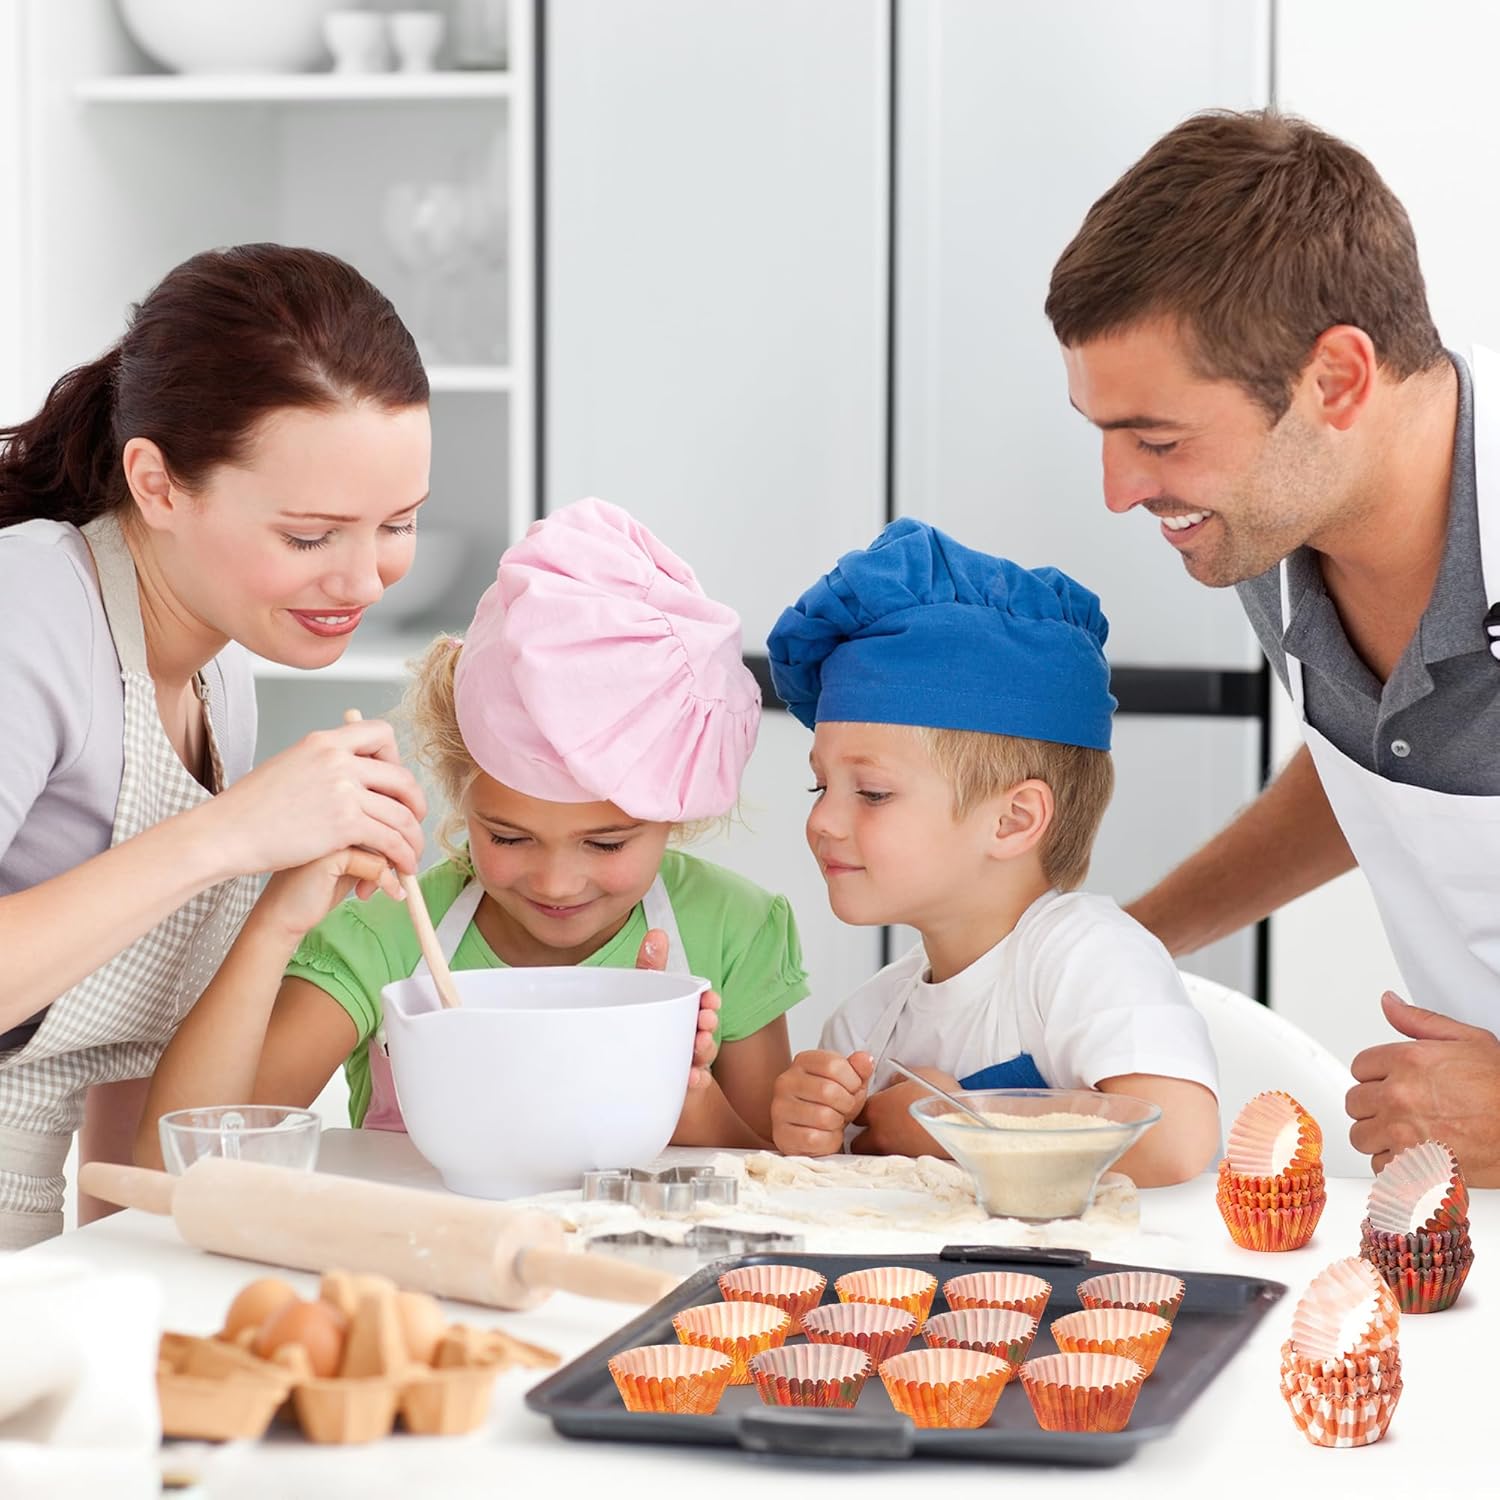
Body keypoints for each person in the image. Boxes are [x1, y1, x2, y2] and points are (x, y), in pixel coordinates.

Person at [1047, 109, 1500, 1184]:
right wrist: (1121, 950)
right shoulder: (1270, 528)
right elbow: (1387, 761)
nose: (1120, 491)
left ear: (1336, 380)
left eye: (1159, 439)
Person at [138, 498, 809, 1158]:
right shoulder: (386, 930)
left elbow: (782, 1181)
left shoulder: (732, 931)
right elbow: (198, 1155)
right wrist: (278, 920)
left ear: (675, 813)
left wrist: (688, 1105)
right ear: (460, 792)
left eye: (606, 843)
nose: (556, 882)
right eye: (508, 837)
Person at [0, 244, 431, 1247]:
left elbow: (131, 1157)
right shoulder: (30, 605)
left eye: (398, 524)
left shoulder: (220, 674)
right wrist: (234, 833)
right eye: (311, 536)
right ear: (157, 484)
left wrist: (279, 904)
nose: (363, 580)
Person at [763, 519, 1220, 1185]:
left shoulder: (1087, 957)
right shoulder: (864, 1027)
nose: (822, 820)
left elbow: (1173, 1139)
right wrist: (816, 1128)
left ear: (1012, 820)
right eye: (820, 785)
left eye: (873, 792)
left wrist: (959, 1124)